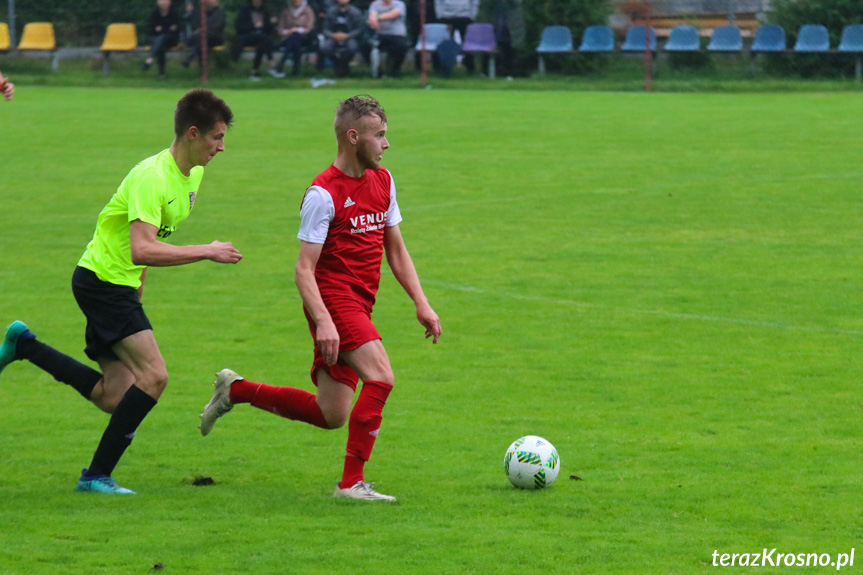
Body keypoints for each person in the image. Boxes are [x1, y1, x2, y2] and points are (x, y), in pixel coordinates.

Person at [199, 95, 441, 502]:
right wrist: (325, 321)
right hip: (333, 302)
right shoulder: (322, 194)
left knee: (331, 414)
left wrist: (422, 302)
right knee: (381, 376)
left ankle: (234, 390)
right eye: (379, 136)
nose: (386, 144)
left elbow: (395, 249)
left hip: (360, 303)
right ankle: (350, 485)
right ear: (353, 137)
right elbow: (303, 269)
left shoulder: (384, 181)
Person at [0, 89, 242, 495]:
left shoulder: (192, 175)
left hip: (117, 284)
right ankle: (95, 476)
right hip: (103, 284)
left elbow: (145, 247)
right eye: (217, 137)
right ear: (193, 134)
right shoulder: (153, 177)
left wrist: (138, 289)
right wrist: (208, 250)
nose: (222, 146)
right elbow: (141, 247)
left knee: (114, 396)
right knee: (155, 377)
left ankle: (25, 345)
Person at [231, 0, 277, 80]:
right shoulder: (245, 11)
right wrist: (254, 26)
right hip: (247, 37)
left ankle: (254, 71)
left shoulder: (265, 11)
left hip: (261, 38)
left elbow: (269, 29)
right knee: (263, 38)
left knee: (262, 44)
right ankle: (272, 65)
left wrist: (271, 22)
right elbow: (239, 27)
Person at [270, 0, 316, 77]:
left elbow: (309, 28)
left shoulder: (308, 11)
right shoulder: (286, 12)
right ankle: (295, 71)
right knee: (294, 39)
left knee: (295, 36)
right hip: (288, 38)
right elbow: (280, 29)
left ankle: (280, 66)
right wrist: (289, 31)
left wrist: (297, 30)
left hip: (304, 38)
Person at [321, 0, 363, 77]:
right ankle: (337, 64)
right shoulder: (330, 12)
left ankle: (344, 65)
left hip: (350, 37)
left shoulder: (356, 13)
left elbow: (359, 30)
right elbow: (325, 29)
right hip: (333, 37)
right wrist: (332, 35)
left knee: (352, 47)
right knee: (326, 47)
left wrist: (347, 36)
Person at [367, 0, 409, 77]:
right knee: (366, 45)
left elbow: (393, 14)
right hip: (380, 35)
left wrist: (376, 18)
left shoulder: (399, 4)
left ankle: (395, 71)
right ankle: (377, 72)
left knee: (401, 46)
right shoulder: (375, 4)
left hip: (397, 35)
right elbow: (371, 17)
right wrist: (373, 20)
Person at [434, 0, 479, 72]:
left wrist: (472, 15)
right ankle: (444, 68)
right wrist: (440, 15)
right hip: (446, 17)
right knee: (446, 42)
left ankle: (470, 68)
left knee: (467, 43)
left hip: (465, 17)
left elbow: (474, 2)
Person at [143, 0, 182, 78]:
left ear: (170, 2)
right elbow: (151, 30)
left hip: (171, 40)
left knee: (162, 38)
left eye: (166, 1)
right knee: (160, 48)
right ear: (158, 3)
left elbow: (178, 28)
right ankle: (162, 74)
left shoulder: (174, 13)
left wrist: (162, 29)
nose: (164, 3)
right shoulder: (154, 13)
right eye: (162, 1)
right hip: (157, 40)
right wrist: (167, 28)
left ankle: (150, 58)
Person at [182, 0, 227, 68]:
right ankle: (202, 69)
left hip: (215, 37)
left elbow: (217, 26)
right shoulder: (200, 12)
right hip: (201, 38)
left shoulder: (220, 12)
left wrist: (203, 29)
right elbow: (195, 25)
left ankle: (191, 56)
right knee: (201, 41)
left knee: (202, 38)